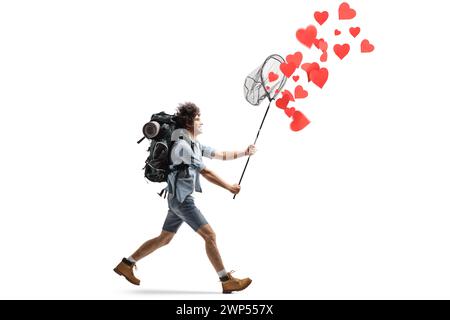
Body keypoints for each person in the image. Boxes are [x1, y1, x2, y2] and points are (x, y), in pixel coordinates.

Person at [114, 102, 256, 294]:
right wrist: (229, 187)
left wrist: (244, 152)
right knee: (210, 236)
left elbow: (219, 154)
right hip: (182, 200)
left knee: (164, 239)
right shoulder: (182, 146)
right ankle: (225, 280)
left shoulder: (193, 144)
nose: (201, 122)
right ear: (189, 122)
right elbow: (206, 172)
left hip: (176, 199)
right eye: (198, 119)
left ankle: (126, 264)